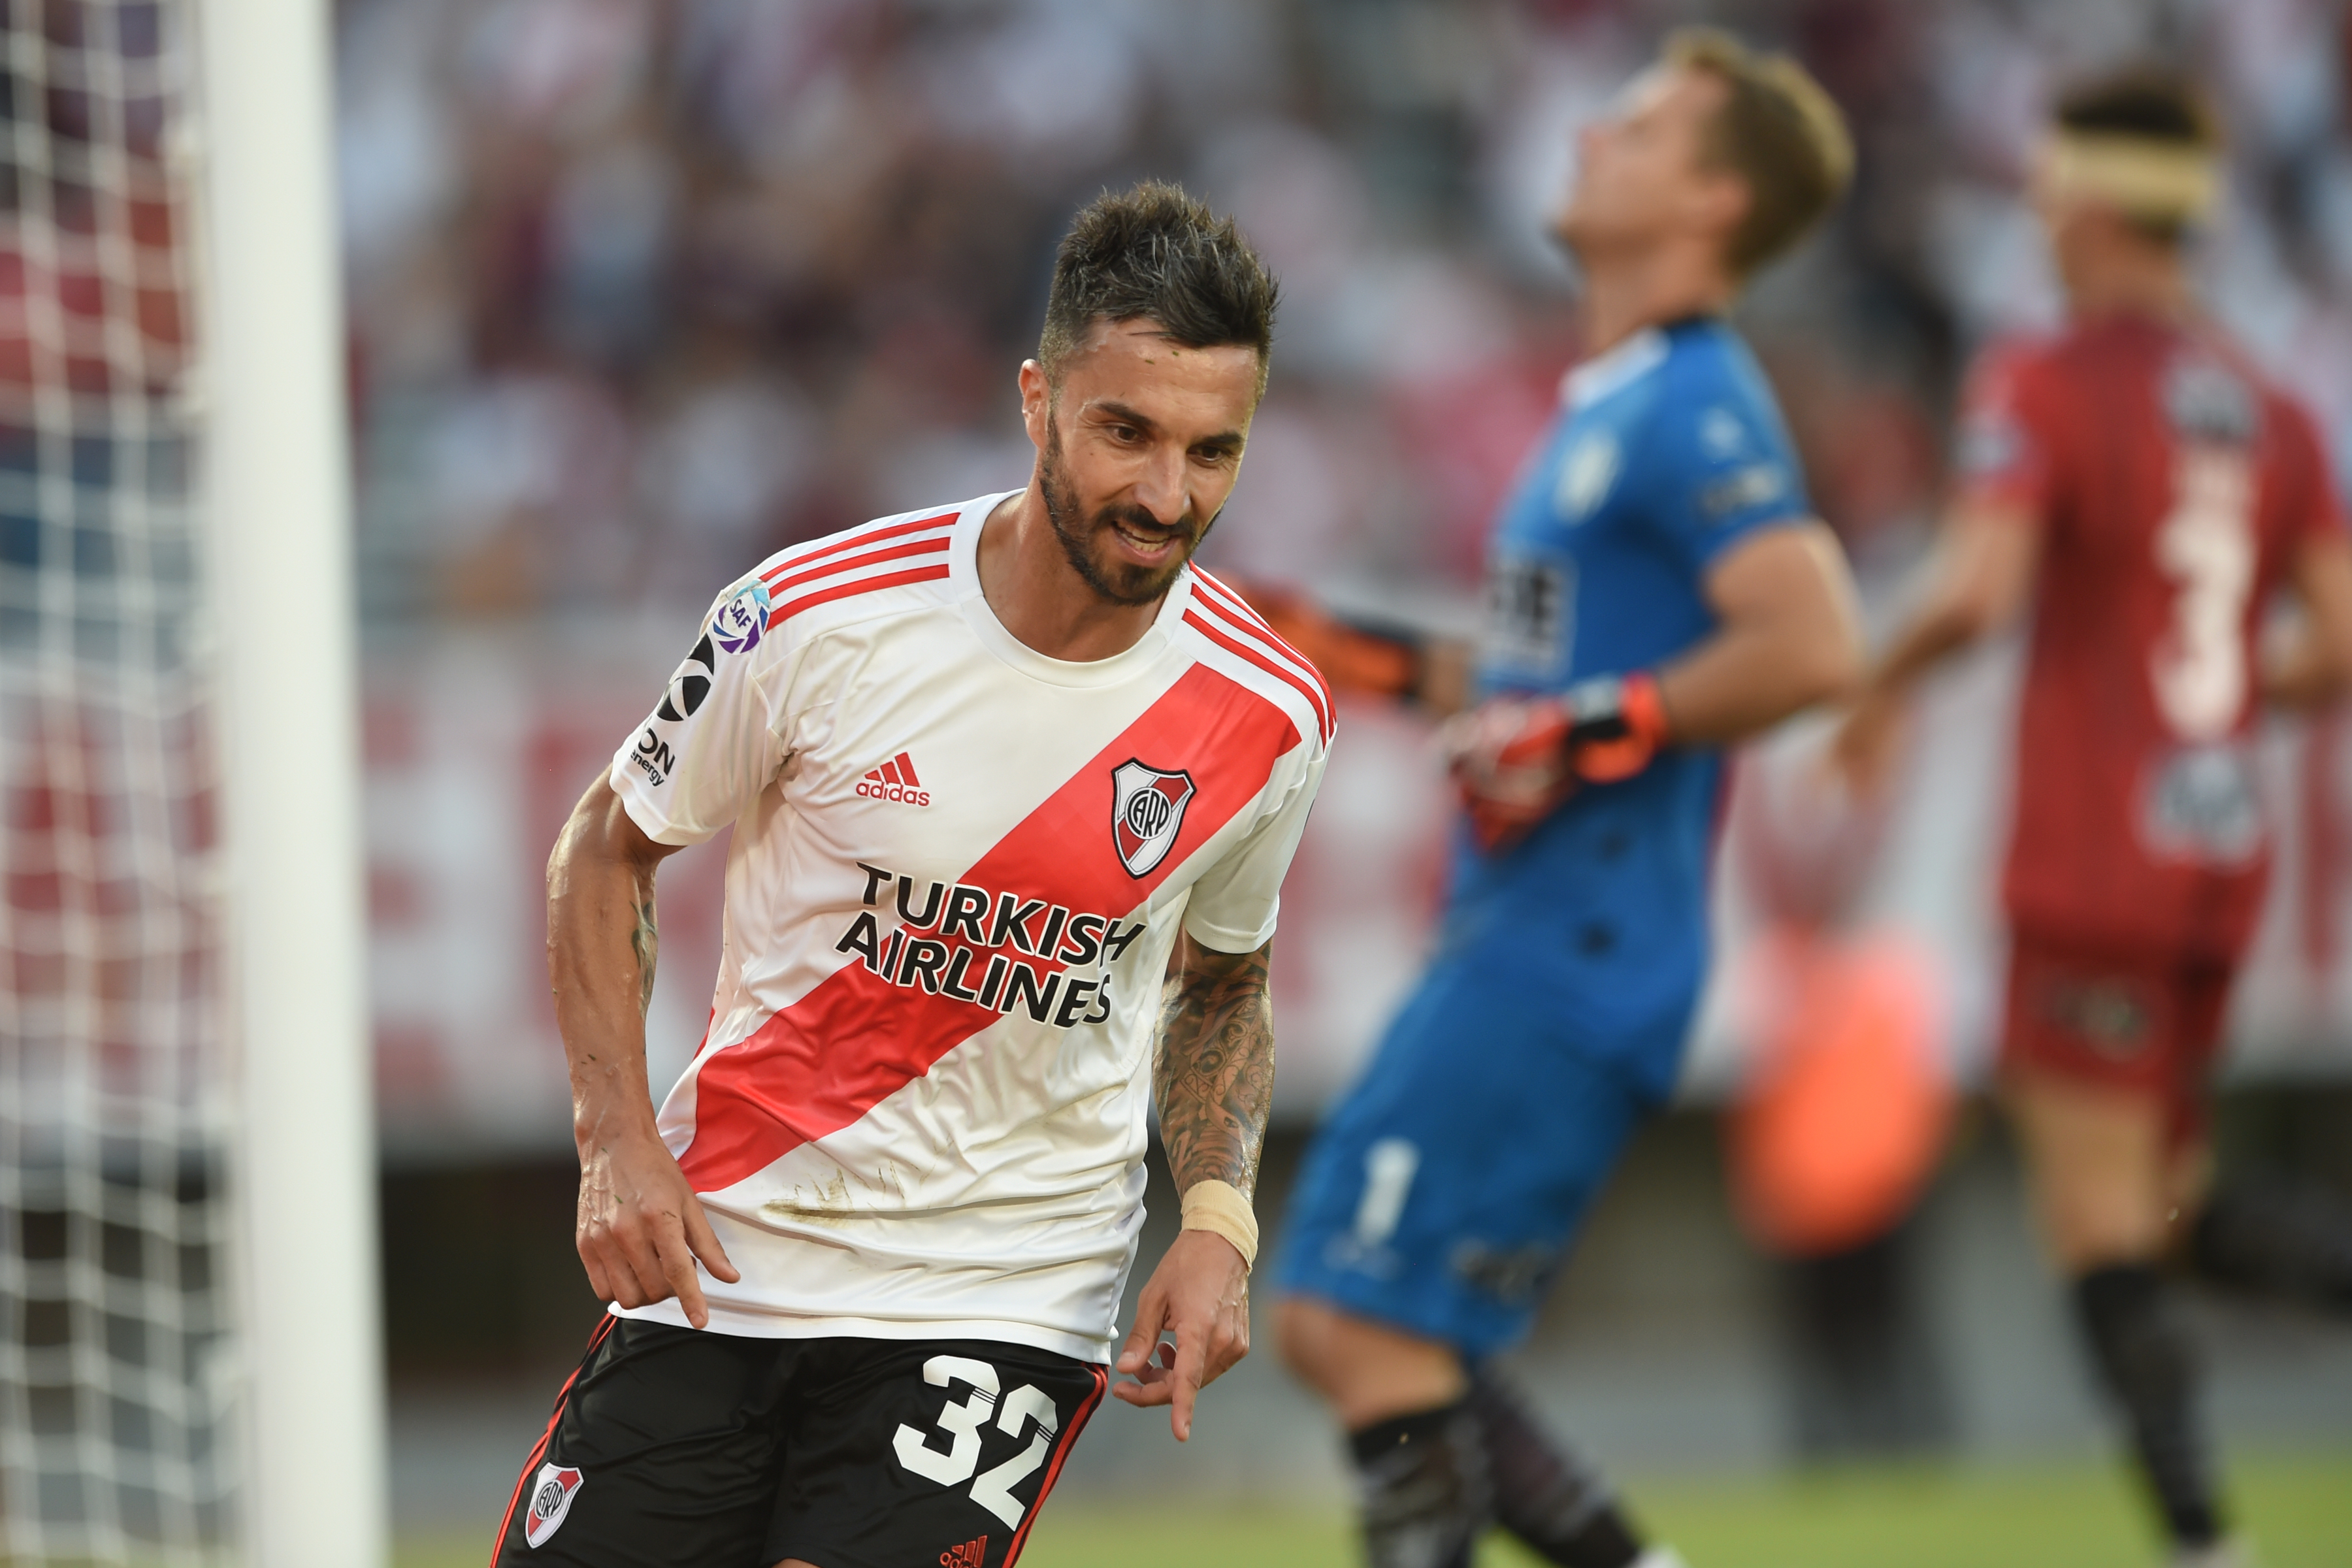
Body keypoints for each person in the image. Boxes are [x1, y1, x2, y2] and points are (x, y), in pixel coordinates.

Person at [495, 182, 1331, 1568]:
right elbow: (606, 846)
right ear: (1037, 402)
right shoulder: (814, 619)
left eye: (1212, 451)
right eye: (1126, 432)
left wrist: (1220, 1225)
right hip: (732, 1245)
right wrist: (618, 1140)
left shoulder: (1267, 711)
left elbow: (1226, 985)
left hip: (1008, 1288)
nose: (1165, 497)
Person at [1267, 29, 1863, 1568]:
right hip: (1534, 929)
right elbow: (1540, 687)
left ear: (1716, 202)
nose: (1594, 135)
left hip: (1573, 940)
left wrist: (1594, 724)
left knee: (1355, 1321)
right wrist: (1327, 644)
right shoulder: (1612, 400)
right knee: (1378, 1328)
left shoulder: (1693, 404)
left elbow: (1812, 641)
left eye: (1644, 129)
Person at [1833, 69, 2352, 1568]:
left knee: (2100, 1223)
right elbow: (2338, 639)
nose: (2040, 221)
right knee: (2167, 1201)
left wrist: (1875, 686)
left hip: (2092, 852)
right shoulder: (2271, 405)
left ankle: (2202, 1543)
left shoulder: (2043, 379)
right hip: (2219, 854)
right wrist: (2220, 687)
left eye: (2050, 193)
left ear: (2096, 207)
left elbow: (1980, 588)